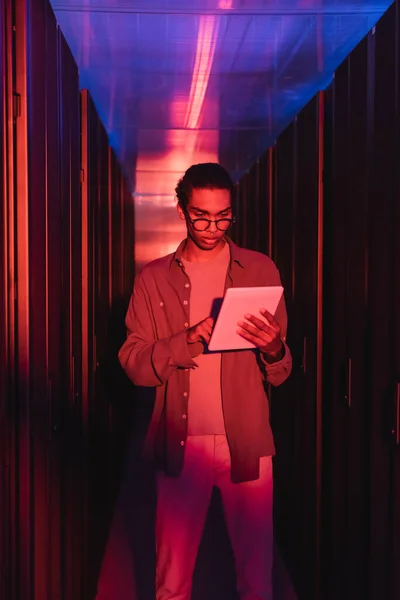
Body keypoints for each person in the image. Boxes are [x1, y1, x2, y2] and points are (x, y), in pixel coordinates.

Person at [119, 163, 292, 600]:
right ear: (181, 211)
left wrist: (274, 348)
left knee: (257, 576)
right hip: (181, 441)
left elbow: (282, 370)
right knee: (171, 579)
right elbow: (134, 364)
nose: (212, 227)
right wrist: (186, 339)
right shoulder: (154, 278)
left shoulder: (260, 270)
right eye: (201, 216)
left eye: (223, 216)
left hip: (248, 441)